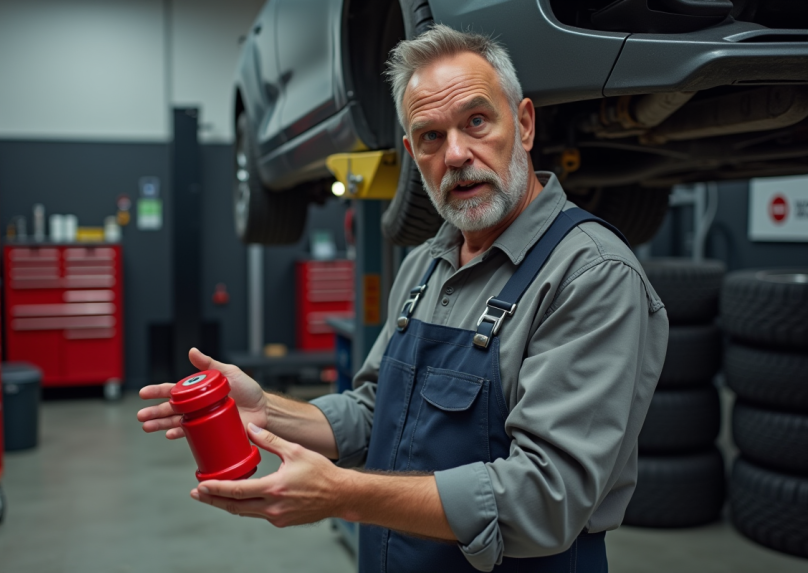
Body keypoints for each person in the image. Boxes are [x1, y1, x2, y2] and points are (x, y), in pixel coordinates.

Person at [138, 25, 668, 573]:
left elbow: (545, 499)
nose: (457, 153)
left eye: (477, 121)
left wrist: (343, 494)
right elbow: (376, 413)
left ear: (525, 124)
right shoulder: (424, 265)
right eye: (432, 137)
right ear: (413, 153)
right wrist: (265, 410)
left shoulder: (590, 274)